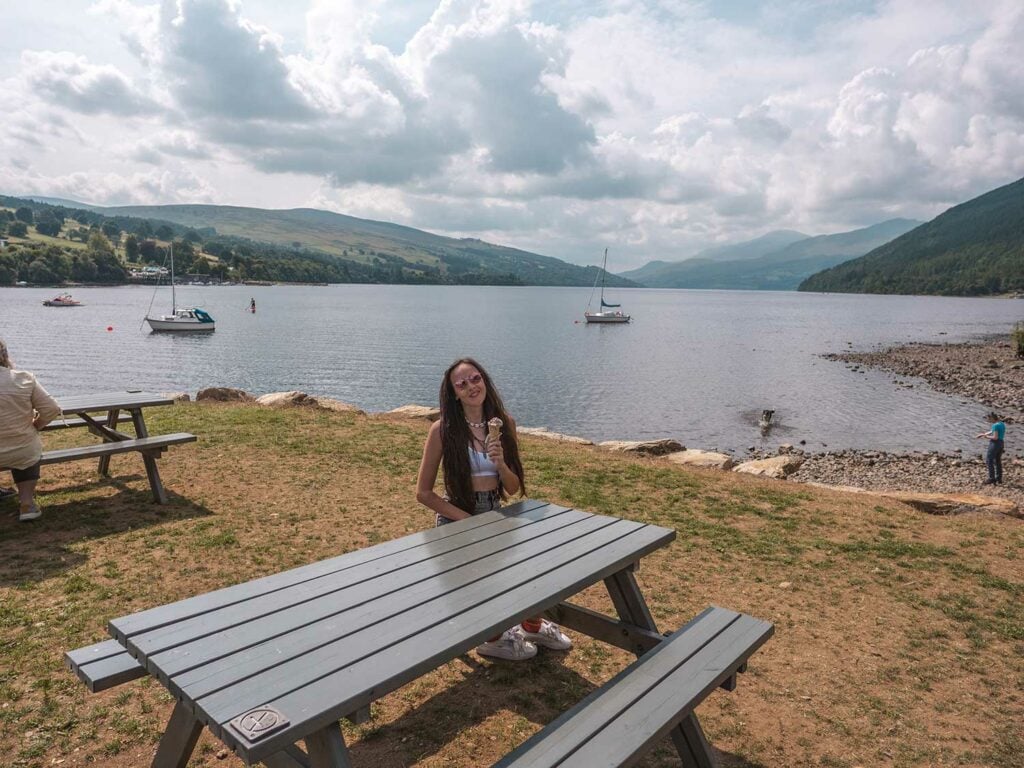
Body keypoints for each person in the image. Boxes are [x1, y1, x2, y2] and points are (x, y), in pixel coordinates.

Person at [416, 357, 572, 661]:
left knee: (533, 562)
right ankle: (493, 638)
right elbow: (423, 493)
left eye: (475, 378)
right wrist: (469, 522)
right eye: (461, 384)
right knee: (482, 584)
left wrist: (500, 462)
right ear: (454, 393)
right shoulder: (442, 430)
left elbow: (513, 488)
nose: (471, 386)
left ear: (484, 380)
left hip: (495, 511)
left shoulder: (504, 423)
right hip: (457, 516)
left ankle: (532, 625)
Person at [0, 339, 61, 521]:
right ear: (4, 355)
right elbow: (51, 409)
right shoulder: (24, 378)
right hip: (22, 449)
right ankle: (26, 504)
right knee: (25, 449)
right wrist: (36, 426)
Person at [975, 411, 1005, 485]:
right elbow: (993, 431)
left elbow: (995, 437)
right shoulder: (1001, 424)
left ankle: (991, 478)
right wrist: (983, 434)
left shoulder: (995, 425)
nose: (989, 420)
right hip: (1001, 443)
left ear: (992, 418)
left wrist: (986, 437)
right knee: (998, 460)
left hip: (995, 444)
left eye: (989, 419)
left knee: (989, 460)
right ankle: (999, 478)